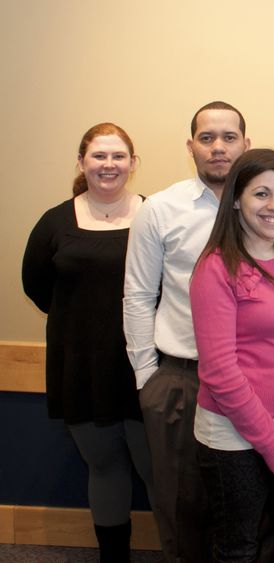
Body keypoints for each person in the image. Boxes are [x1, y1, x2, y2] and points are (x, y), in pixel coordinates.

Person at [124, 101, 250, 562]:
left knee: (246, 507)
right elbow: (138, 296)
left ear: (246, 144)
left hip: (253, 378)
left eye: (229, 137)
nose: (218, 147)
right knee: (182, 506)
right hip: (181, 380)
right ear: (191, 146)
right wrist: (147, 377)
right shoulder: (160, 209)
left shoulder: (268, 204)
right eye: (207, 138)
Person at [190, 149, 274, 561]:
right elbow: (218, 372)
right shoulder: (215, 268)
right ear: (236, 198)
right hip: (232, 435)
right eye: (261, 194)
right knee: (239, 550)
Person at [22, 123, 152, 563]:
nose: (108, 165)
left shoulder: (155, 215)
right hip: (81, 368)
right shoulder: (55, 222)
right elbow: (37, 286)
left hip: (145, 369)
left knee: (159, 471)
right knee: (104, 466)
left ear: (133, 164)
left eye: (118, 156)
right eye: (99, 156)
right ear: (82, 162)